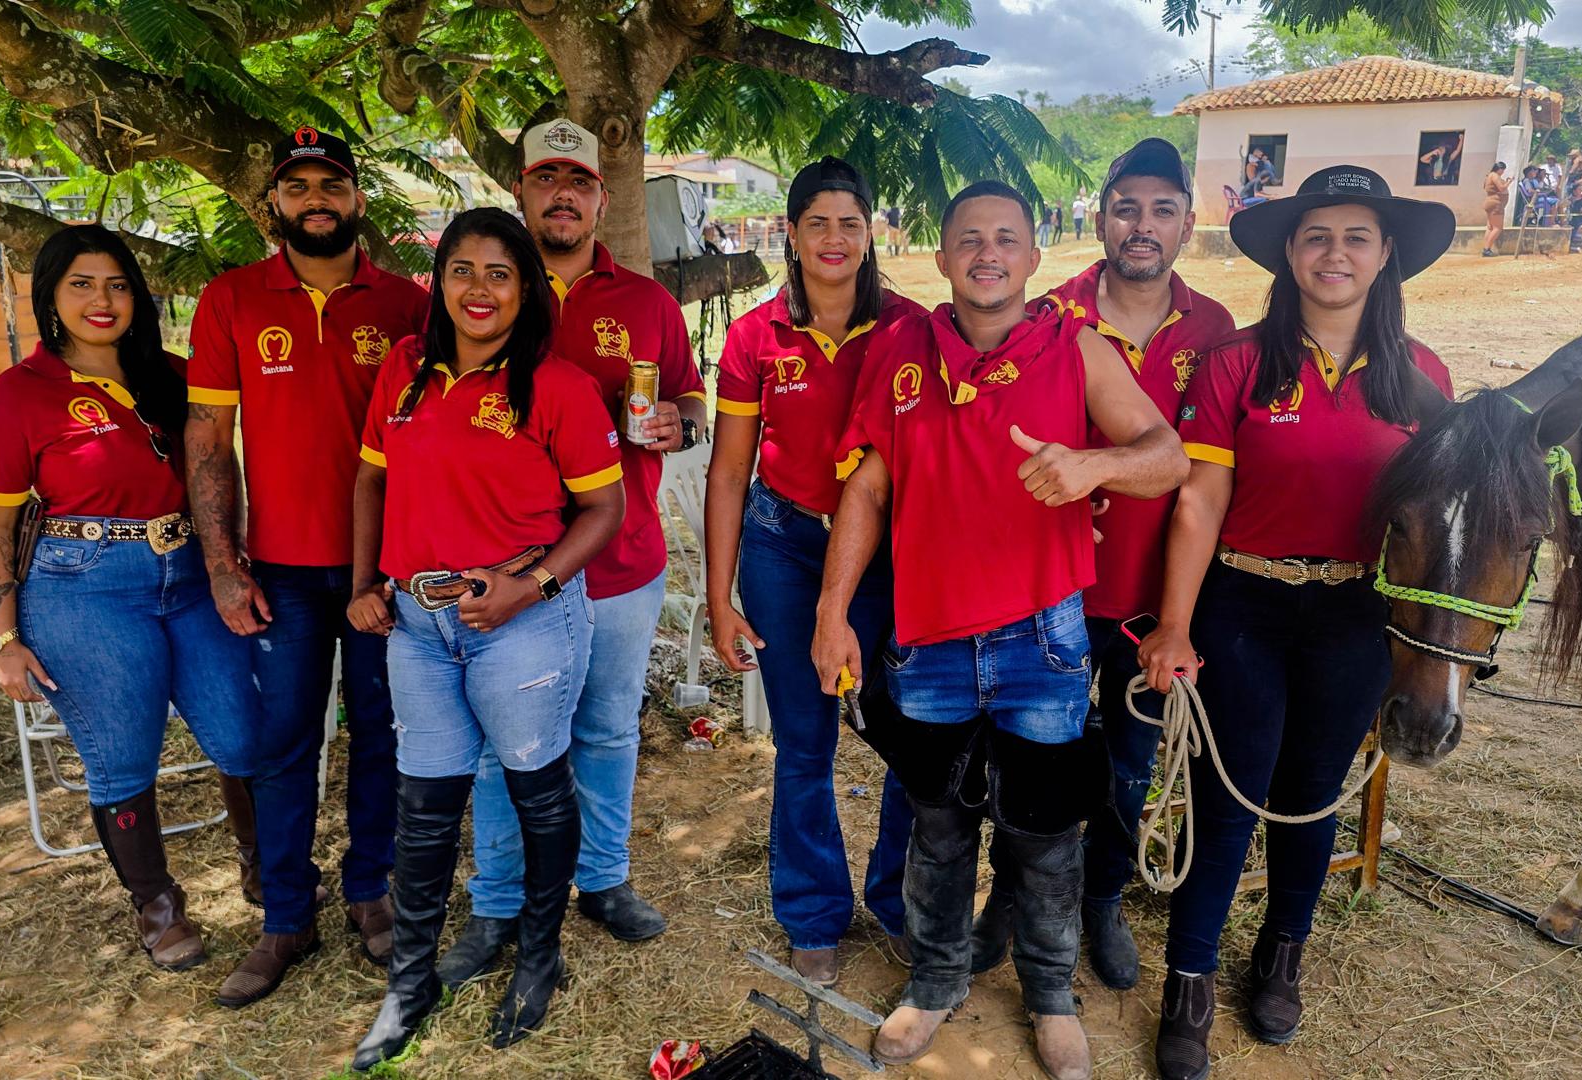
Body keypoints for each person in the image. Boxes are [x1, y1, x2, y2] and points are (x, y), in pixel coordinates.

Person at [814, 179, 1189, 1080]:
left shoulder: (1077, 346)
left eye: (1007, 238)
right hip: (930, 639)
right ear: (942, 256)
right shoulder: (901, 349)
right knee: (937, 826)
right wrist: (832, 612)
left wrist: (1092, 465)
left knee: (1046, 833)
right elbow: (866, 488)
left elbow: (1167, 456)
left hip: (1043, 638)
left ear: (1034, 256)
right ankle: (935, 981)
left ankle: (1051, 996)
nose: (988, 253)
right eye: (970, 238)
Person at [1136, 164, 1454, 1080]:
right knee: (1230, 797)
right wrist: (1175, 626)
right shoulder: (1237, 362)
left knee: (1313, 794)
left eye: (1356, 237)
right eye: (1316, 236)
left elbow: (1438, 522)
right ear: (1288, 254)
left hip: (1357, 614)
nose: (1334, 254)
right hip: (1245, 602)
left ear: (1386, 255)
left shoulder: (1424, 377)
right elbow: (1201, 501)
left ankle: (1282, 955)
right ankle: (1189, 979)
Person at [347, 208, 626, 1069]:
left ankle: (539, 956)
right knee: (426, 803)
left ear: (525, 290)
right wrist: (365, 584)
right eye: (461, 270)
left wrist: (526, 589)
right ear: (439, 283)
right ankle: (409, 985)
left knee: (537, 788)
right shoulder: (404, 370)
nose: (478, 289)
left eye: (499, 274)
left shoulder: (557, 386)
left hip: (521, 616)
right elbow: (370, 481)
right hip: (417, 623)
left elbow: (604, 510)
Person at [435, 119, 707, 988]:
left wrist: (679, 425)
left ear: (600, 197)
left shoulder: (647, 303)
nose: (563, 194)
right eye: (546, 178)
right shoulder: (489, 292)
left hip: (620, 559)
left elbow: (692, 400)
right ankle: (498, 902)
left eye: (579, 182)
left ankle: (603, 879)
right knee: (502, 741)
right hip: (507, 566)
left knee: (606, 726)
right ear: (521, 191)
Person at [969, 139, 1235, 993]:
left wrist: (1182, 615)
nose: (1142, 226)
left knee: (1130, 762)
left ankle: (1104, 898)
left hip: (1154, 600)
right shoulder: (1049, 315)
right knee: (1027, 756)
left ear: (1187, 224)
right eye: (1126, 209)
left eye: (1162, 210)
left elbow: (1212, 480)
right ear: (1100, 219)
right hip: (1047, 589)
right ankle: (1009, 895)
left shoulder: (1216, 331)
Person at [0, 224, 258, 972]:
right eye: (83, 285)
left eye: (118, 285)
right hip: (84, 587)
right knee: (123, 757)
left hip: (192, 574)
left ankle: (268, 870)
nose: (103, 300)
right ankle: (157, 905)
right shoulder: (13, 398)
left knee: (243, 735)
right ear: (50, 297)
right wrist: (4, 639)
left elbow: (217, 467)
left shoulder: (176, 376)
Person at [186, 126, 431, 1006]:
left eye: (332, 185)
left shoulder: (408, 304)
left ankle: (371, 891)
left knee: (382, 734)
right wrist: (223, 565)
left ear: (359, 200)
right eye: (298, 188)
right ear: (274, 205)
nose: (316, 200)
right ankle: (286, 916)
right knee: (283, 744)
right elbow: (209, 440)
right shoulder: (231, 300)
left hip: (383, 570)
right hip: (280, 573)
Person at [703, 157, 926, 988]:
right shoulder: (755, 335)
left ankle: (902, 903)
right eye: (818, 223)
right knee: (804, 741)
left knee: (912, 739)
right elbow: (730, 471)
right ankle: (812, 913)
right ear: (790, 234)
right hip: (786, 545)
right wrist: (721, 596)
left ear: (872, 234)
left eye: (851, 223)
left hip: (891, 556)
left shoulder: (912, 328)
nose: (835, 238)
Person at [1481, 161, 1509, 256]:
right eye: (1503, 170)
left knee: (1490, 227)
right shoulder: (1495, 176)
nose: (1503, 172)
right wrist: (1509, 182)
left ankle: (1486, 247)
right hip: (1496, 203)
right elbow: (1501, 188)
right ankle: (1486, 249)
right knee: (1497, 228)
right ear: (1499, 169)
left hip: (1490, 202)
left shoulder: (1489, 176)